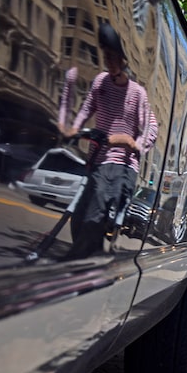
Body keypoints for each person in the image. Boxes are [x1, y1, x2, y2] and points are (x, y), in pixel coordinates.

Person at [63, 23, 158, 259]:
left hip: (122, 164)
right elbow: (87, 107)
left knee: (97, 213)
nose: (110, 61)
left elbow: (150, 127)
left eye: (114, 56)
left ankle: (80, 262)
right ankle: (86, 258)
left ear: (125, 59)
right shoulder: (100, 82)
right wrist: (74, 128)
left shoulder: (137, 93)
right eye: (106, 56)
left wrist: (133, 143)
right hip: (97, 158)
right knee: (81, 212)